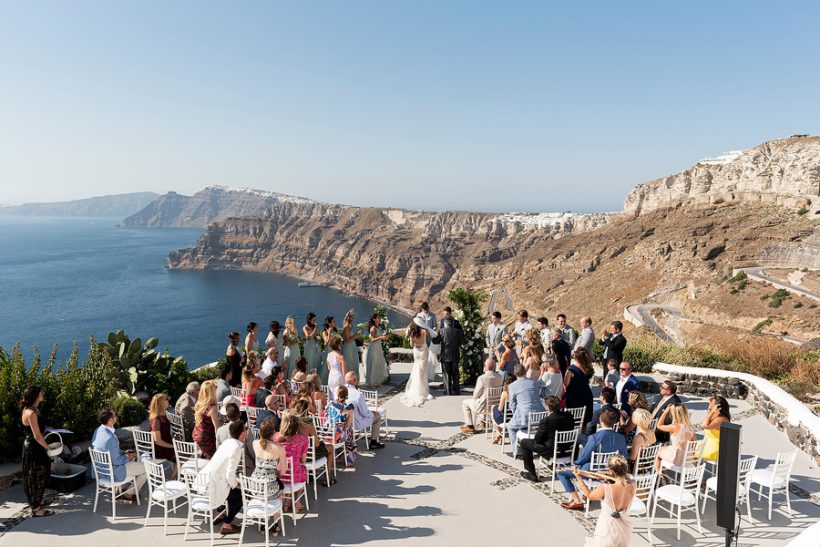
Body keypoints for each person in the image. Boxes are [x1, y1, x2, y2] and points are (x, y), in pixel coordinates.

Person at [558, 408, 627, 510]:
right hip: (611, 473)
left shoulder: (594, 437)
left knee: (560, 472)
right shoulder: (621, 438)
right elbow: (624, 457)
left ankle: (577, 501)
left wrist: (575, 464)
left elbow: (583, 457)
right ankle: (585, 495)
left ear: (600, 420)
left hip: (593, 472)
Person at [197, 420, 247, 535]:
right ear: (242, 433)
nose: (247, 431)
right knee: (239, 497)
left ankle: (219, 514)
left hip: (207, 480)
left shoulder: (227, 443)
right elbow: (230, 473)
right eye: (245, 429)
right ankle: (227, 525)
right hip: (214, 484)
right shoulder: (236, 448)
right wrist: (237, 485)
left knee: (231, 492)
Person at [576, 455, 636, 546]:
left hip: (607, 531)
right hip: (624, 531)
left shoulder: (606, 488)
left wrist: (578, 477)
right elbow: (626, 478)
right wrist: (608, 475)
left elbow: (589, 495)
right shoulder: (633, 484)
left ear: (611, 470)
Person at [91, 407, 145, 502]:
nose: (117, 417)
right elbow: (116, 461)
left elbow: (107, 451)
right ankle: (129, 494)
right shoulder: (111, 438)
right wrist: (127, 457)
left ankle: (119, 491)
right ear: (111, 420)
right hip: (112, 473)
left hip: (100, 472)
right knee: (146, 469)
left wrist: (123, 453)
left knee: (131, 459)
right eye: (115, 415)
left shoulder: (98, 431)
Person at [518, 396, 575, 482]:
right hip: (567, 449)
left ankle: (531, 474)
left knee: (524, 442)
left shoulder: (546, 420)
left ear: (548, 407)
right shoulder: (569, 416)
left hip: (551, 450)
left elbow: (538, 440)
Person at [20, 385, 53, 517]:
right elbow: (37, 436)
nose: (42, 393)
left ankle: (38, 500)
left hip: (35, 446)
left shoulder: (33, 409)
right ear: (36, 395)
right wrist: (48, 448)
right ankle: (36, 509)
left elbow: (39, 429)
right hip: (34, 448)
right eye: (41, 392)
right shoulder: (31, 412)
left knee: (42, 472)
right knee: (35, 476)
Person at [506, 364, 546, 454]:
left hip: (525, 417)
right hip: (540, 417)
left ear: (515, 374)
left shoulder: (512, 386)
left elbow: (512, 403)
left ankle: (516, 452)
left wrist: (516, 411)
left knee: (511, 427)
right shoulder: (534, 383)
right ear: (525, 372)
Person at [273, 411, 309, 511]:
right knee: (303, 469)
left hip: (279, 475)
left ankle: (286, 502)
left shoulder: (276, 437)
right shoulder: (303, 439)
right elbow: (303, 460)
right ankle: (297, 502)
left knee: (289, 468)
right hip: (294, 475)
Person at [400, 318, 436, 407]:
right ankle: (422, 391)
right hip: (424, 351)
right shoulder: (424, 331)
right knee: (422, 371)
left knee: (416, 369)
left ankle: (418, 389)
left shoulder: (412, 334)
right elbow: (432, 335)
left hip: (416, 351)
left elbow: (411, 345)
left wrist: (411, 338)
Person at [345, 372, 386, 449]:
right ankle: (374, 442)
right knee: (378, 416)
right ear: (354, 380)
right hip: (357, 422)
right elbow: (364, 413)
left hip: (345, 422)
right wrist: (372, 414)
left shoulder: (338, 390)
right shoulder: (358, 394)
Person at [461, 358, 502, 433]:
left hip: (484, 406)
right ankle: (483, 422)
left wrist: (476, 398)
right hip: (495, 405)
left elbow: (476, 394)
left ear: (485, 366)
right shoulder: (500, 377)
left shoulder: (482, 378)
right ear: (494, 367)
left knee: (465, 403)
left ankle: (470, 426)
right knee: (484, 399)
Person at [251, 416, 285, 499]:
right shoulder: (279, 447)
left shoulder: (255, 443)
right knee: (281, 492)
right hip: (269, 488)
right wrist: (274, 474)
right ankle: (277, 511)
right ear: (273, 432)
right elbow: (283, 472)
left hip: (254, 486)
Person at [656, 404, 696, 471]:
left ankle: (659, 474)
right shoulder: (691, 428)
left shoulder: (675, 426)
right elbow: (694, 444)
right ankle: (664, 473)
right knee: (664, 448)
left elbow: (659, 426)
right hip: (687, 459)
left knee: (656, 452)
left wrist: (665, 412)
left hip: (678, 460)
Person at [563, 347, 595, 429]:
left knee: (572, 419)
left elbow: (566, 384)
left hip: (574, 397)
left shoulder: (571, 369)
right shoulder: (588, 368)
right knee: (585, 420)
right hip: (587, 395)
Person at [326, 386, 358, 466]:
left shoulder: (330, 404)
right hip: (338, 436)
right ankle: (349, 462)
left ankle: (339, 456)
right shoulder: (348, 409)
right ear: (347, 395)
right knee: (350, 437)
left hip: (328, 434)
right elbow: (347, 425)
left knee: (345, 432)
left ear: (337, 394)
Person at [148, 393, 176, 478]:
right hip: (160, 449)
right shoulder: (156, 420)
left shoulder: (163, 415)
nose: (168, 401)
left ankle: (175, 475)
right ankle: (171, 479)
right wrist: (173, 446)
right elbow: (158, 441)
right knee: (183, 456)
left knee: (183, 451)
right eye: (166, 399)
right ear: (161, 403)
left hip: (165, 445)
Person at [193, 380, 220, 460]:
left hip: (196, 434)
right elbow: (217, 428)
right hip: (206, 438)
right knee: (215, 458)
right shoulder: (212, 408)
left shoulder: (199, 404)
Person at [440, 316, 467, 395]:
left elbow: (436, 341)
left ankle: (448, 391)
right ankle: (457, 390)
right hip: (455, 355)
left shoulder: (441, 331)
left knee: (446, 373)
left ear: (445, 323)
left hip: (445, 356)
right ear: (453, 323)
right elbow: (464, 342)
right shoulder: (458, 331)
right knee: (455, 373)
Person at [701, 395, 731, 461]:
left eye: (712, 403)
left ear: (717, 407)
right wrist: (710, 409)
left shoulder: (720, 419)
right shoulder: (717, 416)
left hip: (713, 449)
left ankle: (693, 470)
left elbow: (703, 425)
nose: (710, 404)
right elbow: (705, 421)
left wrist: (711, 412)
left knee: (687, 452)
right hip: (708, 445)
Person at [363, 313, 390, 386]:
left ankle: (377, 381)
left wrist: (386, 337)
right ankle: (370, 383)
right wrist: (381, 337)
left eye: (380, 317)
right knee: (373, 364)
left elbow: (380, 337)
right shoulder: (373, 328)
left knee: (378, 364)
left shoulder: (379, 328)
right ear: (374, 319)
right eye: (378, 318)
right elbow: (372, 339)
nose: (380, 319)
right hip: (373, 348)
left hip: (378, 347)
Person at [491, 375, 516, 444]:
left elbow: (500, 408)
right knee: (494, 409)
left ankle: (499, 435)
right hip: (513, 417)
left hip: (505, 419)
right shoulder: (517, 392)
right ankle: (498, 436)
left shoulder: (505, 393)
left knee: (493, 409)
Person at [326, 335, 347, 401]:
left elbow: (329, 368)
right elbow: (344, 373)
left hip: (331, 377)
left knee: (332, 397)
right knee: (340, 397)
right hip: (339, 378)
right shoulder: (341, 357)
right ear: (338, 345)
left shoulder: (329, 355)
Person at [341, 310, 361, 374]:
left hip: (352, 346)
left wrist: (356, 335)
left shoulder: (349, 326)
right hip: (348, 347)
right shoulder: (346, 327)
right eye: (353, 317)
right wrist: (356, 336)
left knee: (353, 362)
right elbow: (347, 340)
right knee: (349, 362)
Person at [319, 316, 338, 384]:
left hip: (336, 350)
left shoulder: (335, 330)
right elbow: (326, 341)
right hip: (329, 350)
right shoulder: (324, 331)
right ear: (329, 323)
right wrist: (329, 333)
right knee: (326, 367)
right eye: (333, 322)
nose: (335, 323)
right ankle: (324, 383)